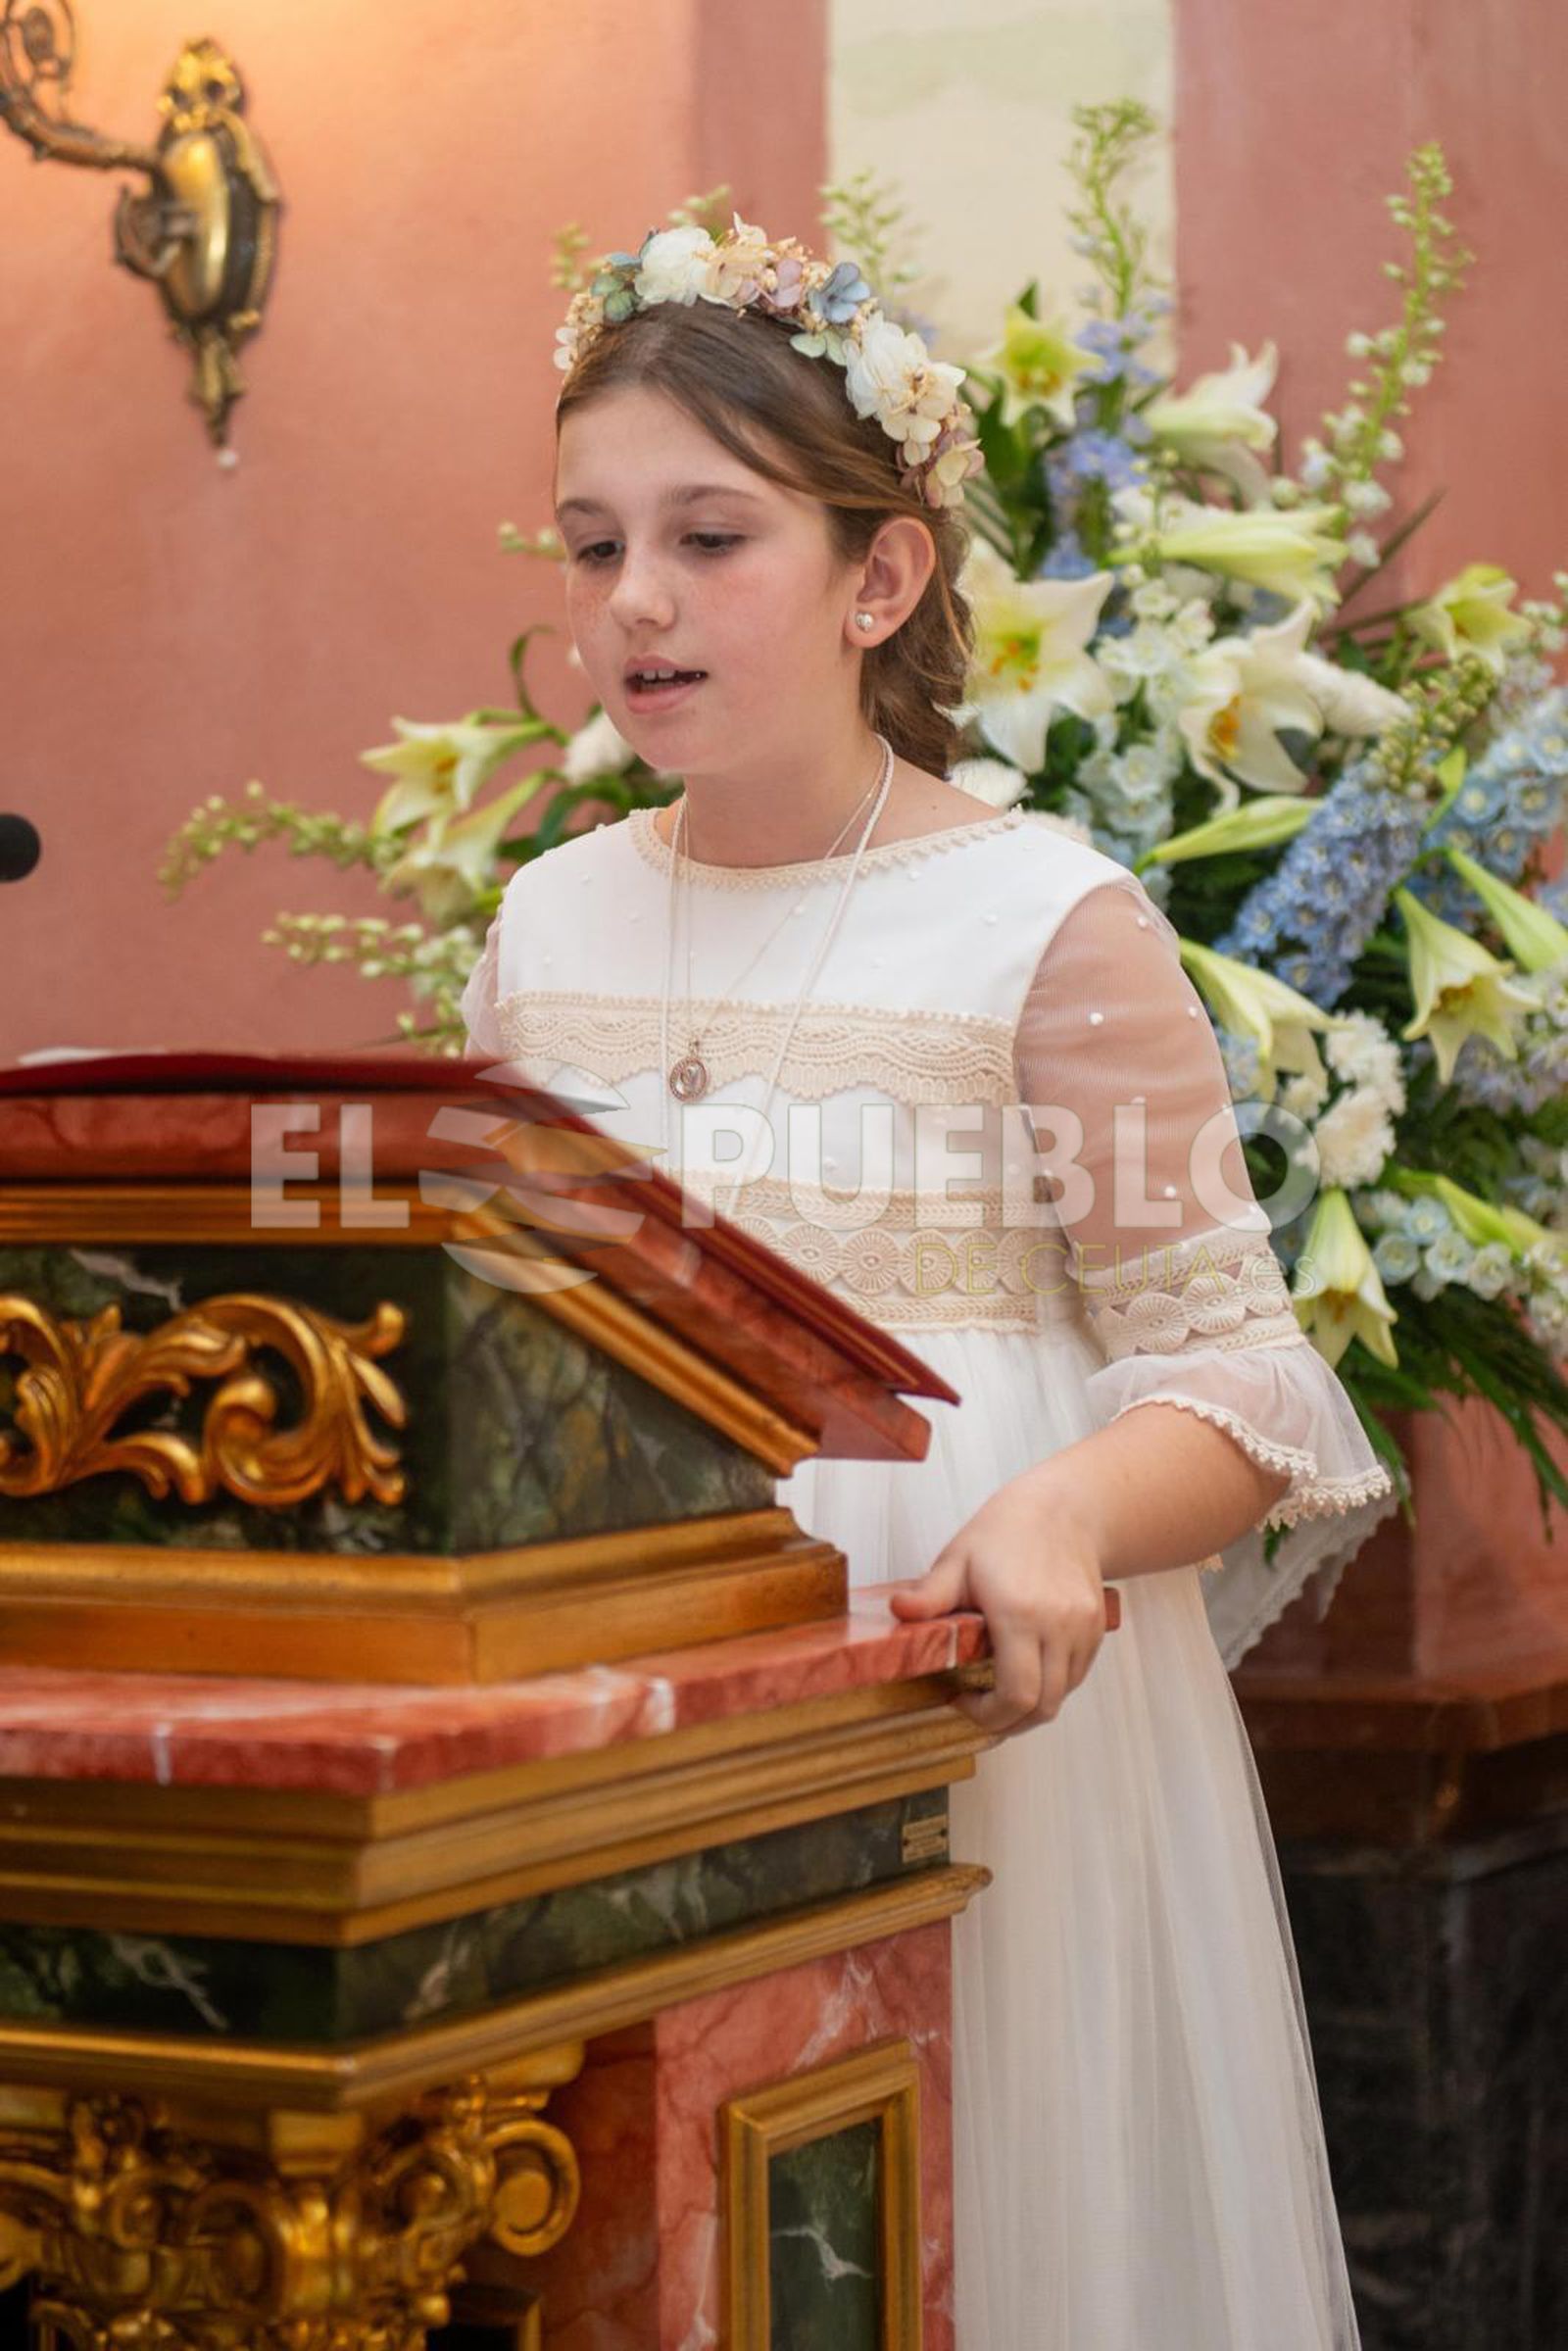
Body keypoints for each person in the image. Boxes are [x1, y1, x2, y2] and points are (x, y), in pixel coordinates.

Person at [461, 214, 1393, 2348]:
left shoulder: (1042, 925)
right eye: (591, 544)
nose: (632, 602)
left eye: (707, 535)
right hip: (644, 1716)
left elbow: (1243, 1386)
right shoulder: (546, 927)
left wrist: (1060, 1507)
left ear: (878, 577)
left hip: (972, 1729)